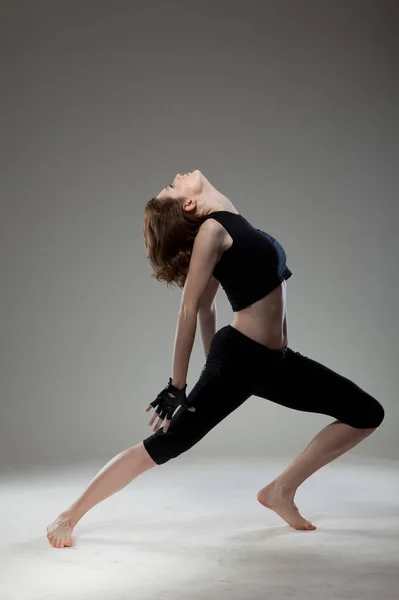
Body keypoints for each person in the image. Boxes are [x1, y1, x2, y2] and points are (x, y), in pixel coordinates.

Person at [46, 170, 384, 548]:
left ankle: (280, 490)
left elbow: (209, 308)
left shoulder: (233, 227)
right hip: (241, 358)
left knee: (367, 413)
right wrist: (180, 384)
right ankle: (69, 515)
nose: (176, 177)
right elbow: (189, 309)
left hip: (276, 363)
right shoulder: (212, 230)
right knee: (164, 445)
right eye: (172, 188)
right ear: (189, 204)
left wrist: (211, 365)